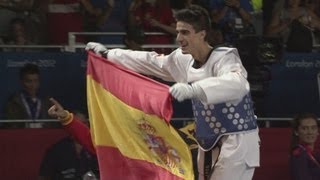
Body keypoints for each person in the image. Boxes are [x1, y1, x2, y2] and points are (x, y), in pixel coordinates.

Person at [85, 4, 260, 180]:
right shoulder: (182, 59)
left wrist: (194, 89)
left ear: (202, 34)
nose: (178, 38)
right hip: (207, 141)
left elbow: (239, 84)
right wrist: (110, 54)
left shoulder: (225, 57)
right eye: (178, 32)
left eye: (185, 32)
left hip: (237, 140)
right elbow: (151, 62)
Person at [38, 110, 99, 180]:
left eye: (84, 123)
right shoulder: (56, 150)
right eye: (77, 124)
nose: (79, 127)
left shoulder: (98, 149)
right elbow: (43, 176)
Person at [3, 63, 54, 128]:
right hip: (22, 136)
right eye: (29, 81)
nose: (33, 85)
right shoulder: (13, 102)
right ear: (22, 82)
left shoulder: (47, 101)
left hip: (44, 135)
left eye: (36, 81)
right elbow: (10, 125)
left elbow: (54, 123)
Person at [289, 113, 320, 180]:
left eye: (313, 128)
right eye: (304, 128)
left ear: (318, 131)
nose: (310, 132)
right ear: (296, 131)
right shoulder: (299, 155)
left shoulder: (313, 154)